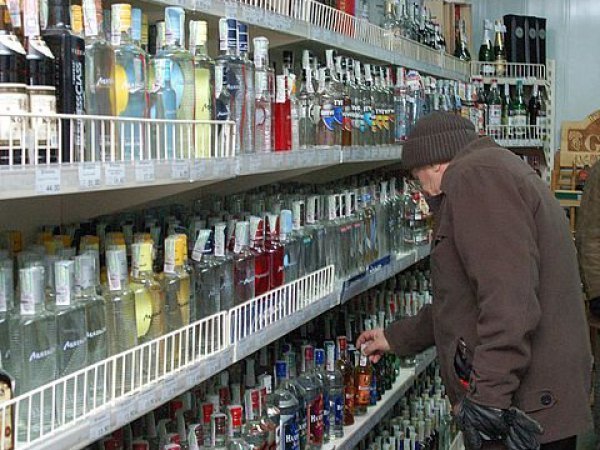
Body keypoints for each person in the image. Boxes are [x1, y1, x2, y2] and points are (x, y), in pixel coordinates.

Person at [357, 112, 592, 450]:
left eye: (416, 176)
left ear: (435, 163)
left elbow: (509, 302)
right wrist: (397, 337)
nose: (421, 190)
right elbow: (466, 299)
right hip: (535, 401)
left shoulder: (475, 179)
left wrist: (487, 402)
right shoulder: (489, 170)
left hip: (523, 413)